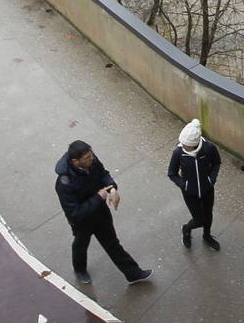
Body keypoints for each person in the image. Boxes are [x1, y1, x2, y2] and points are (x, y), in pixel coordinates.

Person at [55, 140, 152, 285]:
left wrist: (112, 188)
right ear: (76, 161)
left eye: (91, 155)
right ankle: (80, 269)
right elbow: (74, 213)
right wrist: (98, 197)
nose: (92, 159)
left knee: (112, 243)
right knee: (81, 245)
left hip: (100, 213)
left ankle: (133, 273)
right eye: (87, 158)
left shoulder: (91, 160)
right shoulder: (64, 183)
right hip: (82, 222)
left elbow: (103, 174)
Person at [167, 119, 222, 251]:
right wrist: (184, 185)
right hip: (189, 193)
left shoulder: (209, 148)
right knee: (198, 219)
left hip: (207, 190)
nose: (183, 145)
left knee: (208, 215)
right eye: (182, 143)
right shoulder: (178, 153)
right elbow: (172, 173)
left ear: (195, 143)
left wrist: (211, 180)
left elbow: (216, 163)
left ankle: (207, 236)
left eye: (186, 144)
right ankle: (186, 229)